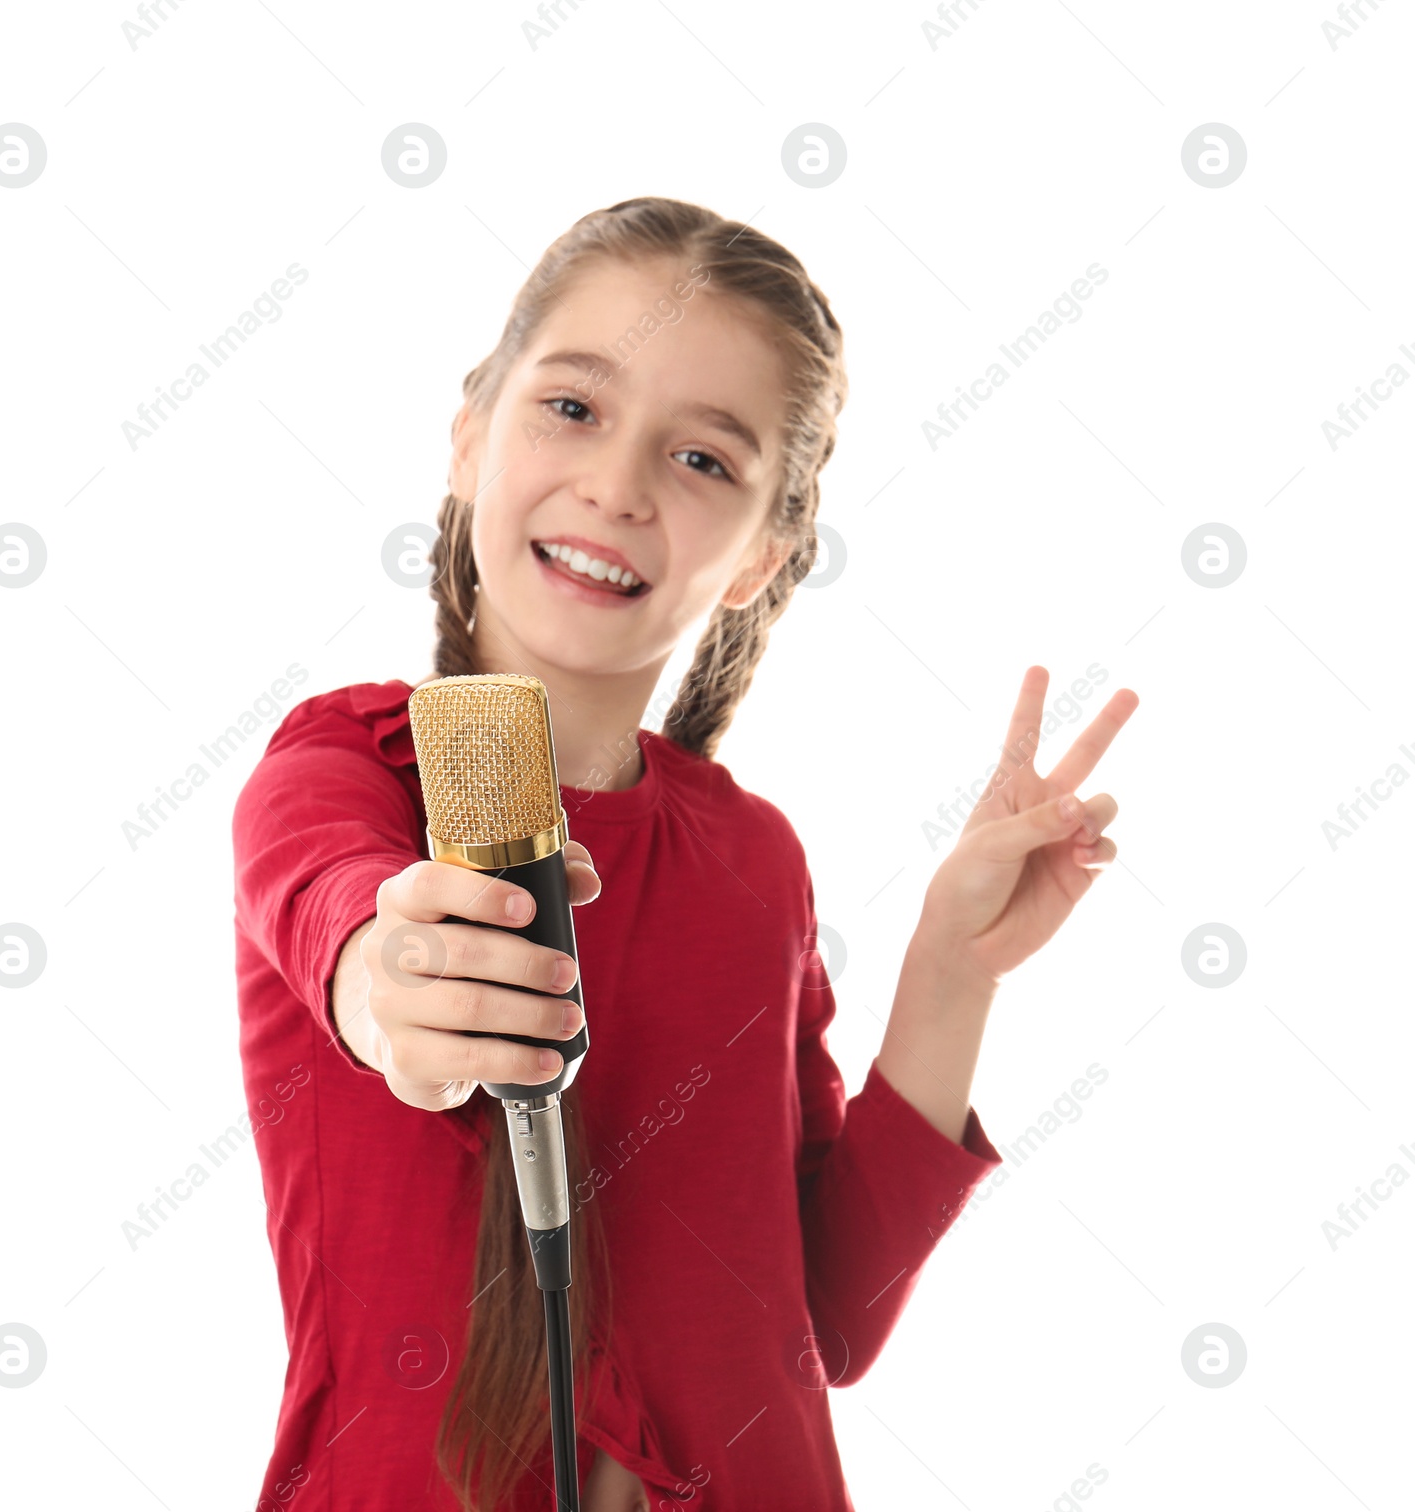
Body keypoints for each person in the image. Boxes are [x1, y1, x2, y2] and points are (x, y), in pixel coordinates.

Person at [232, 196, 1136, 1511]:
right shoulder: (342, 771)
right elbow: (338, 917)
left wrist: (955, 967)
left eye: (703, 460)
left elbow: (827, 1316)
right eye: (574, 409)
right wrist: (394, 985)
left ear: (767, 552)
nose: (617, 485)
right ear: (473, 432)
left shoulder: (753, 859)